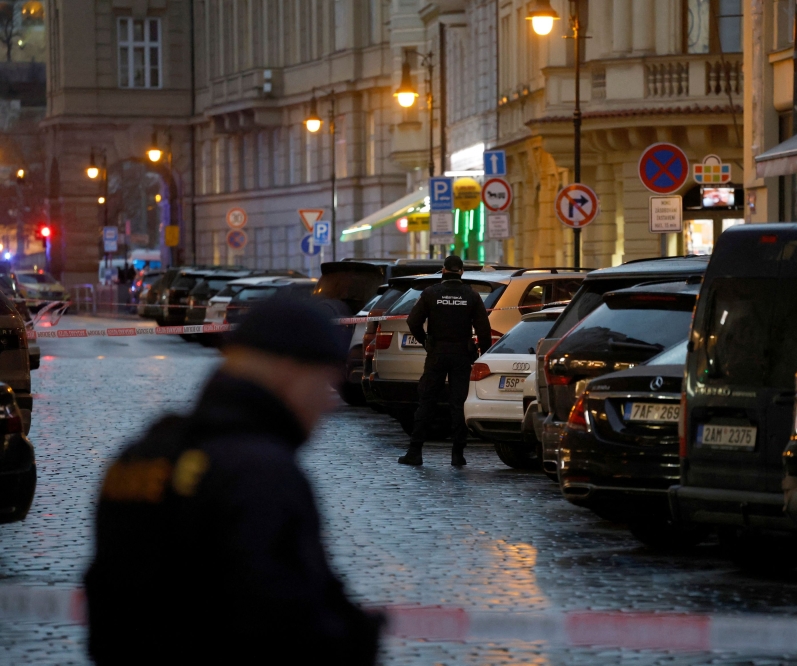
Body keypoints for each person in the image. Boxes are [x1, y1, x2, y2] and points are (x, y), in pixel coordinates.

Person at [85, 297, 381, 666]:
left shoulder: (139, 456)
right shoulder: (261, 474)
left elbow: (105, 608)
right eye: (325, 381)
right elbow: (284, 621)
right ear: (289, 370)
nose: (330, 401)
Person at [399, 255, 492, 467]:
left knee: (427, 401)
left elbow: (413, 321)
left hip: (436, 354)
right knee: (458, 404)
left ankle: (415, 452)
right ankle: (457, 455)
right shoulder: (471, 295)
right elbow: (484, 330)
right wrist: (484, 354)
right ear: (461, 272)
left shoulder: (431, 293)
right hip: (461, 354)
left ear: (443, 270)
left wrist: (426, 342)